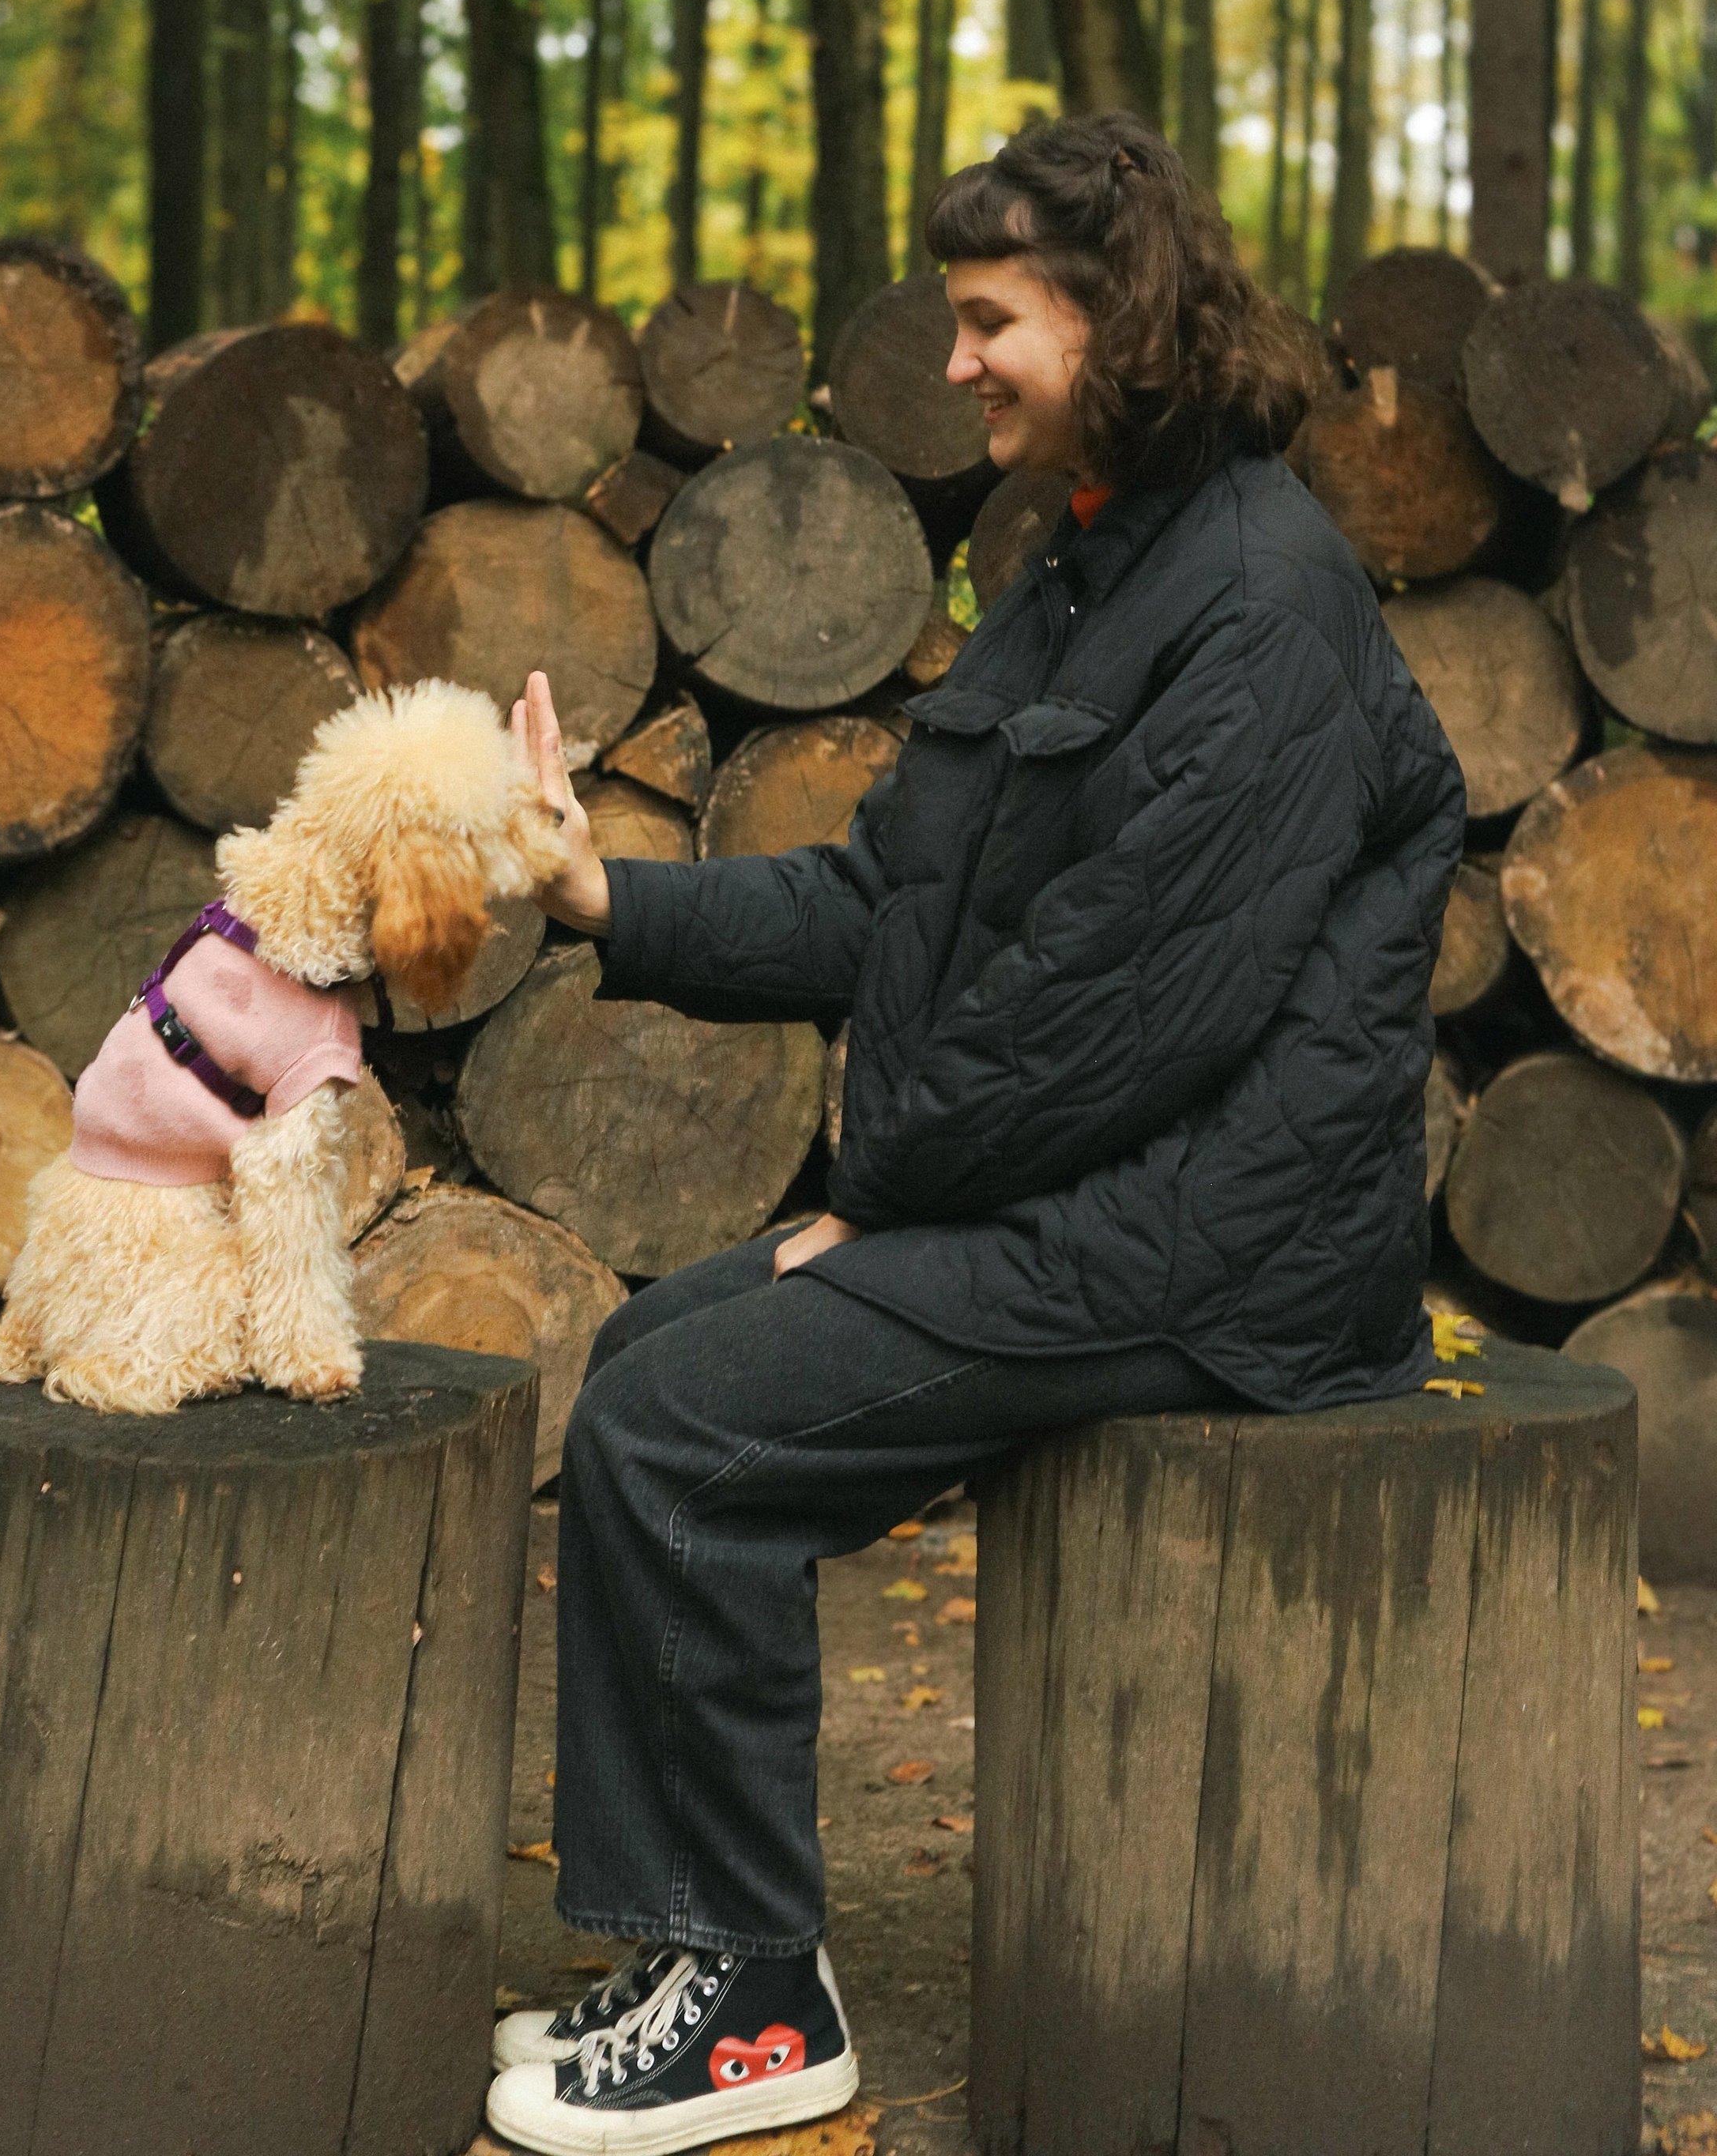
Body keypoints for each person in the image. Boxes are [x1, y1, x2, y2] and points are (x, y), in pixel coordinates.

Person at [482, 111, 1466, 2156]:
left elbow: (1124, 1016)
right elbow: (887, 901)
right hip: (1107, 1189)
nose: (955, 364)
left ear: (1126, 318)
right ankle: (695, 1933)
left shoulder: (1260, 603)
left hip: (1228, 1246)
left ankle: (763, 2011)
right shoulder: (1090, 560)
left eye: (991, 320)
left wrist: (889, 1210)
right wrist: (607, 901)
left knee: (686, 1431)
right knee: (662, 1355)